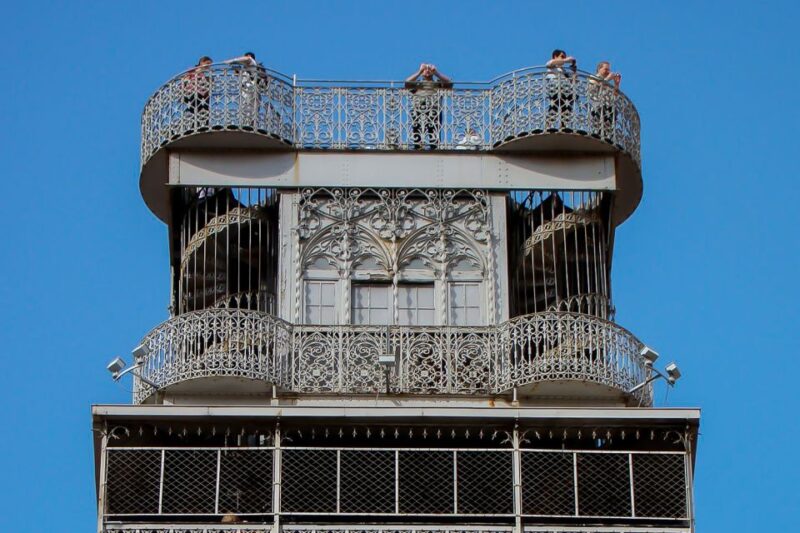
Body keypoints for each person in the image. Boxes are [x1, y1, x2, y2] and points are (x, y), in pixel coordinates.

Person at [405, 63, 453, 149]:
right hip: (419, 109)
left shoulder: (438, 84)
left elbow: (450, 83)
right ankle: (418, 147)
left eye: (429, 69)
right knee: (417, 130)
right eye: (425, 69)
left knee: (434, 133)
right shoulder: (417, 83)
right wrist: (419, 71)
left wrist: (436, 73)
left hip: (434, 110)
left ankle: (434, 148)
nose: (427, 70)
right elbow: (407, 83)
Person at [224, 52, 267, 131]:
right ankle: (248, 124)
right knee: (248, 107)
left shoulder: (252, 62)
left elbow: (247, 59)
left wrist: (230, 61)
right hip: (250, 90)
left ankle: (248, 125)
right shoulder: (248, 68)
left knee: (248, 107)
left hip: (250, 89)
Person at [545, 49, 577, 132]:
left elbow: (573, 82)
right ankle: (548, 126)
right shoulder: (552, 66)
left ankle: (563, 126)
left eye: (564, 57)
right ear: (555, 56)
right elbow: (549, 63)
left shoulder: (565, 71)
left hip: (566, 91)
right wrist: (566, 60)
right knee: (554, 107)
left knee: (566, 108)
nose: (564, 59)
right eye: (562, 56)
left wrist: (574, 71)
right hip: (555, 89)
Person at [589, 61, 621, 142]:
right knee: (599, 131)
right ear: (599, 69)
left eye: (609, 70)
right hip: (598, 107)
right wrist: (607, 79)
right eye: (606, 69)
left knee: (608, 132)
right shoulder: (593, 77)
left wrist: (616, 84)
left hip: (609, 108)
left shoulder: (608, 83)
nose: (608, 72)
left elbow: (614, 96)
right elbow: (592, 89)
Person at [182, 56, 213, 132]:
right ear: (202, 62)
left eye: (210, 64)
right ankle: (193, 127)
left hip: (202, 95)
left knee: (204, 110)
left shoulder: (203, 74)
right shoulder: (194, 70)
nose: (208, 66)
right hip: (193, 93)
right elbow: (185, 79)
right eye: (207, 63)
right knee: (195, 110)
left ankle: (203, 126)